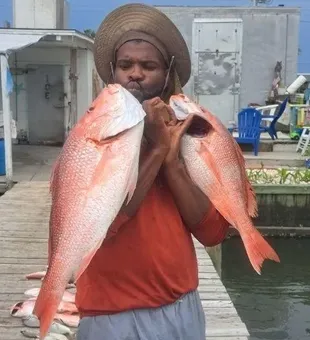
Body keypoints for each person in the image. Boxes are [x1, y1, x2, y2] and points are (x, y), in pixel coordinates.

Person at [76, 4, 230, 340]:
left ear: (167, 72)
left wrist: (172, 160)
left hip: (180, 309)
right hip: (109, 315)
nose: (135, 73)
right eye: (125, 65)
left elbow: (213, 232)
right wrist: (157, 150)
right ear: (112, 73)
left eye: (148, 65)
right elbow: (105, 225)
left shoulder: (192, 134)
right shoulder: (95, 136)